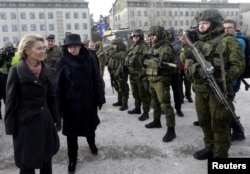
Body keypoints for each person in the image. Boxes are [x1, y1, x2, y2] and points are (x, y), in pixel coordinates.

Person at [184, 9, 245, 159]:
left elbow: (239, 66)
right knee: (204, 122)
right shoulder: (197, 42)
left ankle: (220, 155)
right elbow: (184, 62)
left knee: (220, 124)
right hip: (200, 89)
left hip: (219, 89)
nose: (201, 27)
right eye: (200, 23)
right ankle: (209, 147)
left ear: (215, 24)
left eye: (205, 23)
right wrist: (186, 54)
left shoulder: (228, 41)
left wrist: (222, 78)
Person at [4, 33, 61, 174]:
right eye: (39, 48)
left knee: (46, 162)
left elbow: (51, 98)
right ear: (27, 50)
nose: (43, 51)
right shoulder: (16, 71)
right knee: (27, 164)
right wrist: (10, 127)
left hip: (45, 123)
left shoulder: (46, 70)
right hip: (25, 126)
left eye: (43, 48)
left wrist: (57, 119)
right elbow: (10, 102)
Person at [55, 33, 105, 173]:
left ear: (80, 46)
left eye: (75, 46)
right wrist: (58, 107)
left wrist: (100, 97)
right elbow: (58, 87)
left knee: (90, 128)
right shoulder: (62, 62)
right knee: (72, 135)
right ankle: (72, 160)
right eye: (70, 47)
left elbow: (97, 79)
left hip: (88, 102)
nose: (72, 49)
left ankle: (92, 144)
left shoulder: (89, 58)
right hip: (71, 105)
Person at [141, 26, 176, 142]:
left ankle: (171, 129)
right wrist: (147, 61)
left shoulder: (166, 48)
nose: (152, 38)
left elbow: (159, 64)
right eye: (150, 36)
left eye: (154, 35)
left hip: (161, 80)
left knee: (165, 105)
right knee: (154, 102)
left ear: (160, 35)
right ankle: (157, 121)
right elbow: (150, 63)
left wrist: (145, 60)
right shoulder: (153, 48)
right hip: (152, 78)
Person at [223, 19, 246, 141]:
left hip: (232, 81)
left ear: (235, 28)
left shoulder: (239, 41)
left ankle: (237, 132)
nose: (226, 30)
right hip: (227, 80)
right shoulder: (226, 40)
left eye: (230, 28)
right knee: (226, 106)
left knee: (227, 107)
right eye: (225, 28)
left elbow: (235, 63)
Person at [125, 29, 151, 121]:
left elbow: (148, 61)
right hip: (132, 74)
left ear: (140, 37)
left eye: (136, 37)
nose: (135, 39)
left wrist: (143, 73)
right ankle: (137, 108)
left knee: (143, 94)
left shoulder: (144, 47)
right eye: (133, 37)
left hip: (140, 75)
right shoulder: (133, 47)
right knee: (135, 93)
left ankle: (146, 112)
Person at [166, 27, 184, 117]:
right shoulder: (164, 42)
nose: (167, 35)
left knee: (176, 91)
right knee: (165, 91)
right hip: (165, 71)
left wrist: (164, 47)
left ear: (173, 34)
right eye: (166, 34)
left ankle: (178, 108)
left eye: (169, 33)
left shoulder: (178, 42)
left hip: (174, 70)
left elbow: (175, 50)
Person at [107, 38, 129, 111]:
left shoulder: (122, 53)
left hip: (120, 74)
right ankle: (120, 101)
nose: (113, 46)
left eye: (114, 45)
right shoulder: (114, 52)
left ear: (118, 45)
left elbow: (122, 65)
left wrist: (117, 73)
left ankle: (125, 103)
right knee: (118, 87)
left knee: (123, 88)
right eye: (112, 45)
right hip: (114, 73)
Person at [0, 41, 18, 119]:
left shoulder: (17, 54)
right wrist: (2, 58)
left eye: (11, 50)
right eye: (8, 50)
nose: (10, 52)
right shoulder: (1, 55)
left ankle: (11, 114)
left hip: (13, 77)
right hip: (1, 78)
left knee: (11, 98)